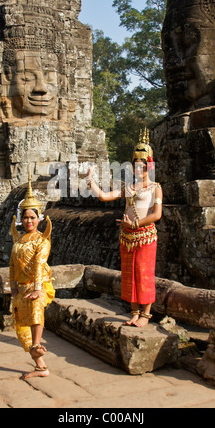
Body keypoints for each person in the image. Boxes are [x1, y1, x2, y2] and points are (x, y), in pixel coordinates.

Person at [86, 128, 162, 327]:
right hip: (127, 237)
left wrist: (136, 223)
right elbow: (104, 196)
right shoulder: (128, 187)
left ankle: (146, 314)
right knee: (129, 275)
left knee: (144, 272)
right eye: (136, 167)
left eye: (143, 167)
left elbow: (156, 215)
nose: (139, 171)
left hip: (145, 236)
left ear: (150, 167)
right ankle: (135, 312)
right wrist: (89, 180)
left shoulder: (155, 188)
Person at [9, 170, 55, 379]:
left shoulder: (41, 241)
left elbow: (39, 264)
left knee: (37, 310)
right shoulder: (19, 241)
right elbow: (12, 264)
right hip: (21, 288)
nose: (29, 221)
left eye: (32, 217)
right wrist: (12, 284)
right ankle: (40, 366)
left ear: (39, 219)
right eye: (25, 218)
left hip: (38, 286)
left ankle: (37, 345)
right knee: (21, 331)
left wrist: (38, 289)